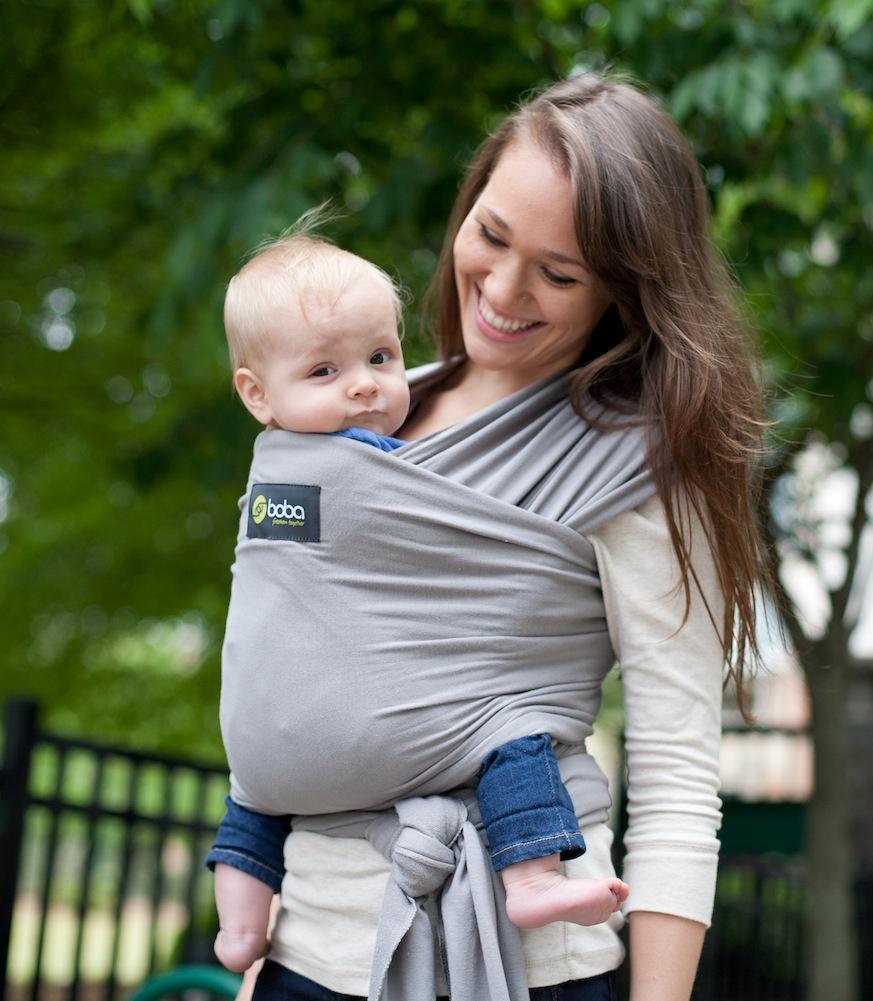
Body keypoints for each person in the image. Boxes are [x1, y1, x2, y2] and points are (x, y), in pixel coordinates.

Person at [235, 72, 773, 1001]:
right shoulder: (350, 412)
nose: (504, 287)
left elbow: (679, 778)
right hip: (313, 958)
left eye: (559, 273)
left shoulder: (640, 466)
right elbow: (288, 669)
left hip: (530, 967)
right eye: (489, 234)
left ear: (625, 289)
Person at [210, 233, 630, 974]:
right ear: (256, 394)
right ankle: (532, 875)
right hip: (347, 756)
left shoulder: (268, 474)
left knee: (254, 793)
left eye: (380, 357)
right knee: (510, 723)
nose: (366, 385)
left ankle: (241, 926)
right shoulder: (391, 466)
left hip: (272, 758)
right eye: (324, 370)